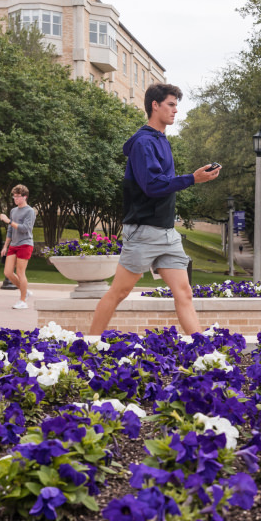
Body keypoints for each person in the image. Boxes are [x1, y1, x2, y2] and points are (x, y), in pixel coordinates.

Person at [89, 84, 220, 335]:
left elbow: (164, 183)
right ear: (155, 105)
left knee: (184, 292)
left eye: (176, 105)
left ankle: (202, 349)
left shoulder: (161, 141)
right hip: (143, 232)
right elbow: (152, 185)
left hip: (167, 232)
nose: (175, 110)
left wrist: (192, 179)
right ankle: (89, 343)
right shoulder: (143, 143)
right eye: (170, 104)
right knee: (119, 292)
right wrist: (192, 179)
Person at [0, 184, 36, 309]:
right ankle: (25, 291)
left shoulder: (30, 211)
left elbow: (25, 229)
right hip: (13, 244)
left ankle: (23, 301)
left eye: (18, 196)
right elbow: (10, 230)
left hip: (25, 244)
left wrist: (8, 221)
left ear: (25, 197)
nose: (15, 199)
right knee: (8, 272)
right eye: (14, 196)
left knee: (20, 273)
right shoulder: (13, 211)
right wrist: (5, 246)